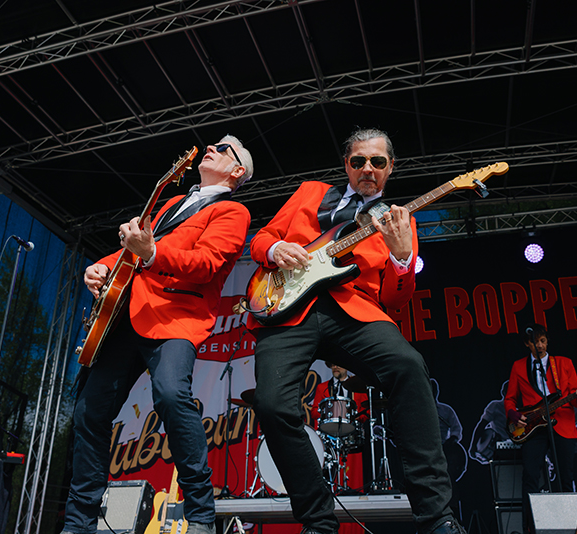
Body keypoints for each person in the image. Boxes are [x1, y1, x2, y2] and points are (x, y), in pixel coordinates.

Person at [249, 128, 465, 534]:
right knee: (272, 405)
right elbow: (261, 239)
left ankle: (437, 517)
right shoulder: (310, 192)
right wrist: (277, 250)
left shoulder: (399, 220)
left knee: (408, 366)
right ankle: (318, 522)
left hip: (354, 310)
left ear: (390, 167)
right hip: (287, 308)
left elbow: (396, 299)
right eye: (359, 161)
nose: (368, 168)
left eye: (377, 162)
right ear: (346, 165)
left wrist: (402, 257)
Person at [60, 136, 253, 534]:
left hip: (175, 318)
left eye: (223, 148)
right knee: (88, 414)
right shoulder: (172, 203)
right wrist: (101, 266)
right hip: (125, 317)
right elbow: (133, 251)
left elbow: (206, 263)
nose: (212, 148)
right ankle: (79, 524)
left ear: (237, 171)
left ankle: (201, 514)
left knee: (170, 395)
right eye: (213, 144)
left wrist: (150, 253)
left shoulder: (233, 211)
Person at [504, 323, 577, 534]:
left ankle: (570, 526)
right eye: (535, 342)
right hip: (534, 426)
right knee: (530, 476)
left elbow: (575, 397)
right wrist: (513, 414)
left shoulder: (564, 363)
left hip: (562, 423)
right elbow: (510, 398)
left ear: (547, 341)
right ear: (527, 344)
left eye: (542, 341)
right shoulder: (518, 366)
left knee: (565, 477)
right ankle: (530, 528)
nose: (540, 345)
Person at [310, 363, 367, 498]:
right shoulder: (322, 387)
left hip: (351, 437)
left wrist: (355, 416)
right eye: (333, 365)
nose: (335, 367)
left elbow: (366, 412)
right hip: (329, 439)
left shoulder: (358, 387)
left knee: (354, 476)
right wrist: (325, 413)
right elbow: (314, 412)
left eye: (339, 364)